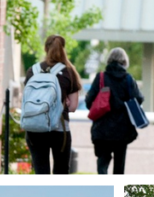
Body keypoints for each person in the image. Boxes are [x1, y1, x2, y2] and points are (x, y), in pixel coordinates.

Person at [24, 35, 80, 174]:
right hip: (60, 129)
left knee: (40, 170)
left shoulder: (33, 70)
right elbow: (72, 106)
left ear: (45, 48)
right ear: (63, 49)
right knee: (61, 171)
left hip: (34, 128)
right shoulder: (69, 71)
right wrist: (64, 102)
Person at [84, 47, 143, 174]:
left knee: (102, 164)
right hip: (122, 130)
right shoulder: (128, 79)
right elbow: (139, 99)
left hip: (102, 128)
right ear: (125, 61)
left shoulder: (100, 78)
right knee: (119, 168)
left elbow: (89, 101)